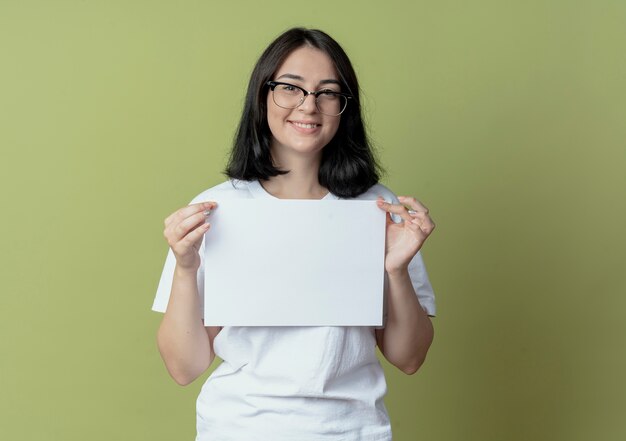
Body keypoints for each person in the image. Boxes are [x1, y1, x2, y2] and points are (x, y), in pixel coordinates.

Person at [152, 27, 436, 441]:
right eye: (290, 87)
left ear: (344, 106)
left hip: (354, 430)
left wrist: (396, 270)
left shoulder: (378, 209)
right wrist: (185, 266)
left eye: (327, 92)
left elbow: (409, 357)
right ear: (263, 94)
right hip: (238, 429)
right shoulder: (218, 210)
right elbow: (184, 367)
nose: (309, 106)